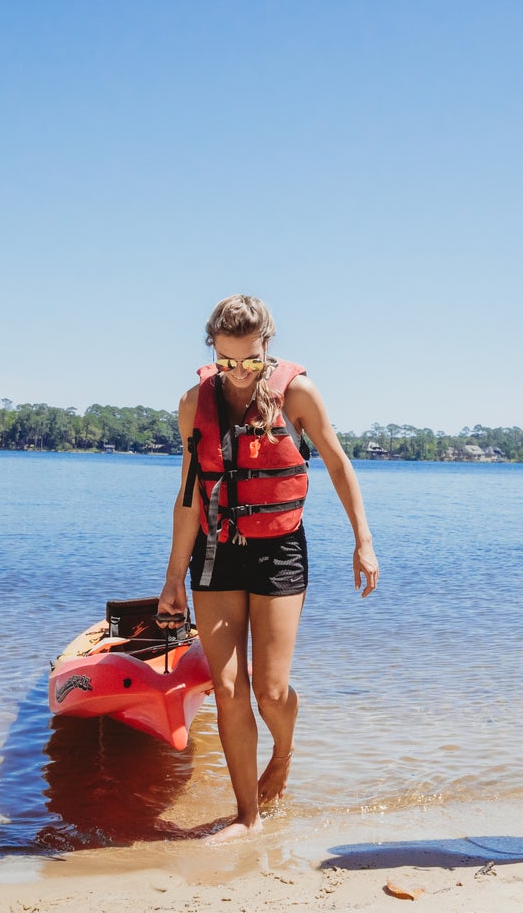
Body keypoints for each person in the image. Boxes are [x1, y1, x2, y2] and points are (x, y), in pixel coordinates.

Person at [157, 294, 379, 842]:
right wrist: (171, 580)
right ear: (213, 350)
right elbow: (188, 494)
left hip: (279, 549)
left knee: (269, 692)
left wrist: (363, 541)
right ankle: (246, 816)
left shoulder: (297, 392)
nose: (238, 374)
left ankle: (283, 752)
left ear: (267, 348)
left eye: (250, 361)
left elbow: (336, 461)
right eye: (227, 361)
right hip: (216, 551)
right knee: (228, 687)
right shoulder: (193, 402)